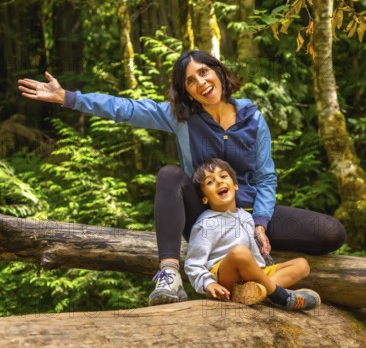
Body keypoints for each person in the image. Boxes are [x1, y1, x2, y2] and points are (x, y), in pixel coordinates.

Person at [18, 50, 346, 306]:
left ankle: (254, 287)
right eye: (190, 81)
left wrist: (260, 223)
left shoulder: (252, 117)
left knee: (330, 233)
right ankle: (170, 275)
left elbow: (265, 177)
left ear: (218, 71)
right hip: (205, 214)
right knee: (170, 175)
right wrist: (68, 98)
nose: (201, 82)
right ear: (187, 92)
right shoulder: (181, 118)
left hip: (246, 214)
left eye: (204, 72)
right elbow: (126, 109)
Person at [184, 158, 320, 311]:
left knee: (302, 264)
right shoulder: (206, 224)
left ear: (235, 185)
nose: (219, 182)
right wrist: (209, 283)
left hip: (254, 274)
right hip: (226, 278)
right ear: (204, 198)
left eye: (223, 176)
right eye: (210, 182)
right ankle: (280, 296)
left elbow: (254, 256)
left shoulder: (247, 217)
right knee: (239, 252)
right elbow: (193, 264)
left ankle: (258, 292)